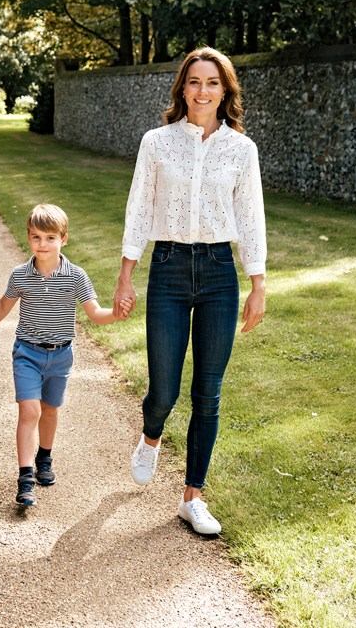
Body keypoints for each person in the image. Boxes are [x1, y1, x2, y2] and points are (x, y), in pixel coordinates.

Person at [113, 46, 267, 535]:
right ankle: (151, 434)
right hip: (169, 267)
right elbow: (139, 208)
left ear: (226, 91)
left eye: (213, 82)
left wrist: (257, 283)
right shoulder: (157, 142)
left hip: (221, 271)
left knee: (208, 392)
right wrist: (125, 275)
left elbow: (251, 218)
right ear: (182, 87)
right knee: (164, 389)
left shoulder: (241, 150)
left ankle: (192, 497)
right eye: (195, 81)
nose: (203, 90)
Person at [0, 204, 130, 508]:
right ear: (28, 238)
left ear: (63, 239)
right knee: (29, 411)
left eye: (50, 238)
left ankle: (44, 456)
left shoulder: (75, 276)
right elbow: (2, 307)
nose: (43, 244)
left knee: (50, 410)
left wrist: (116, 315)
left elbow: (94, 314)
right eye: (36, 237)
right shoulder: (20, 276)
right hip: (27, 353)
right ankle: (25, 477)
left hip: (60, 357)